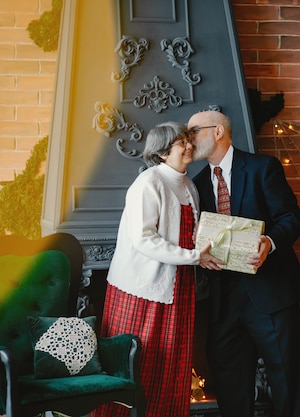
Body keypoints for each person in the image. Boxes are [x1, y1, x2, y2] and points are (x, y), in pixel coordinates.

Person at [91, 121, 224, 417]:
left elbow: (193, 236)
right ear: (163, 153)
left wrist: (206, 253)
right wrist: (193, 256)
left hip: (179, 290)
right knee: (137, 366)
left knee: (171, 367)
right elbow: (143, 239)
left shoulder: (189, 186)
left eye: (188, 140)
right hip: (143, 289)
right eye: (181, 143)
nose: (189, 146)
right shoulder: (148, 183)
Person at [189, 110, 300, 417]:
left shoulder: (261, 168)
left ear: (217, 131)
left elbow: (291, 218)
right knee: (229, 384)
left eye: (193, 131)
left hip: (269, 293)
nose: (188, 139)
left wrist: (269, 243)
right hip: (223, 300)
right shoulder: (197, 184)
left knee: (285, 377)